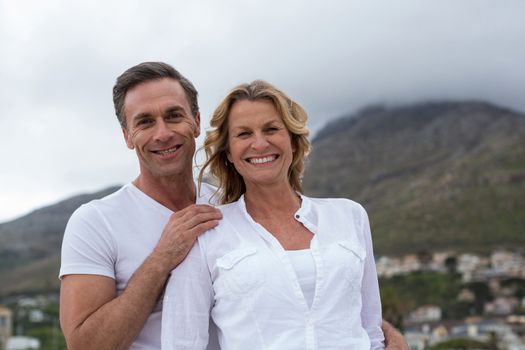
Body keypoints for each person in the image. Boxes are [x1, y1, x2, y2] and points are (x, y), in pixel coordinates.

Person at [60, 62, 407, 350]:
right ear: (126, 135)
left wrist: (373, 335)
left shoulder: (227, 207)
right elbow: (83, 345)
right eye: (145, 122)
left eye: (174, 115)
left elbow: (292, 293)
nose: (162, 133)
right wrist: (162, 258)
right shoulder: (96, 222)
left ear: (196, 121)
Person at [161, 80, 385, 349]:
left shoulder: (350, 216)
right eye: (244, 134)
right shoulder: (207, 233)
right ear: (229, 153)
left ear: (292, 140)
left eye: (271, 129)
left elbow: (372, 330)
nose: (259, 144)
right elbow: (182, 342)